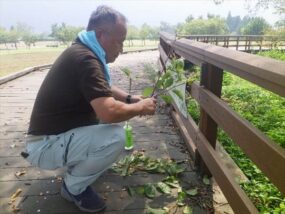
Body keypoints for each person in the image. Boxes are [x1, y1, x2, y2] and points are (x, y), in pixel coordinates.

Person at [22, 5, 156, 213]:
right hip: (45, 146)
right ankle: (73, 187)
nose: (121, 49)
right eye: (119, 41)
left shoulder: (83, 50)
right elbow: (109, 112)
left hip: (52, 137)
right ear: (101, 34)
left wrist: (129, 98)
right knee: (116, 136)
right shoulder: (85, 59)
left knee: (107, 124)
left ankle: (78, 170)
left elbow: (102, 87)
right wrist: (140, 107)